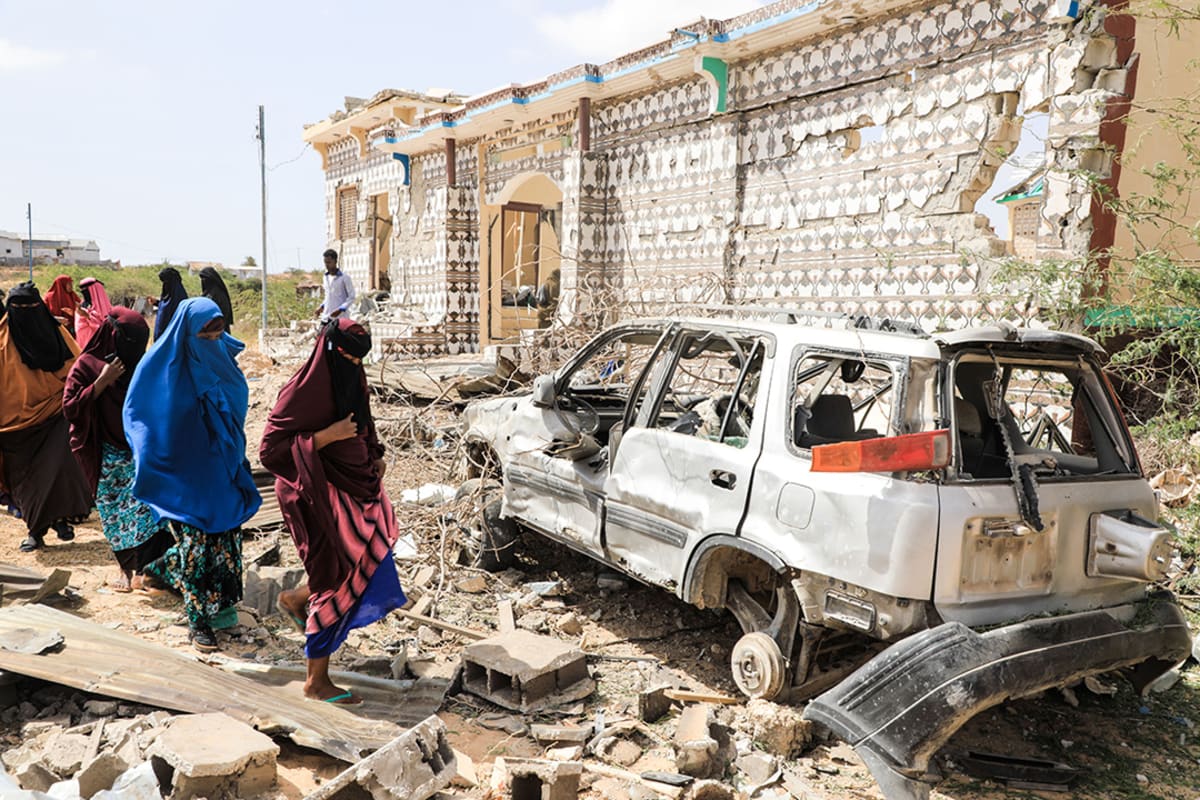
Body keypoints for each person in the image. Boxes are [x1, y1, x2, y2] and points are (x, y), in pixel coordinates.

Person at [260, 318, 404, 703]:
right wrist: (326, 437)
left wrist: (375, 457)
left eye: (361, 360)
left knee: (368, 561)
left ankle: (297, 599)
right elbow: (270, 451)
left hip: (357, 489)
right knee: (332, 577)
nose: (355, 367)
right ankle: (316, 682)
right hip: (314, 495)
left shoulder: (351, 377)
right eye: (347, 358)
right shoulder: (302, 391)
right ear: (328, 351)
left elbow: (363, 427)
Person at [124, 297, 261, 651]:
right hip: (184, 476)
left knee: (227, 538)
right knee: (197, 545)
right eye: (206, 335)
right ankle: (198, 622)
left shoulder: (223, 365)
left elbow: (237, 413)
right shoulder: (163, 371)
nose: (214, 342)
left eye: (219, 334)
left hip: (221, 470)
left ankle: (205, 598)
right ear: (187, 334)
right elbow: (144, 419)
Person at [63, 308, 175, 591]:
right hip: (102, 450)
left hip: (139, 449)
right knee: (114, 512)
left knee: (146, 511)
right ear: (113, 336)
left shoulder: (141, 364)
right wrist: (101, 381)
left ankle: (149, 570)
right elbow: (70, 409)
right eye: (129, 340)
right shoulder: (86, 365)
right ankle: (124, 569)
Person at [0, 283, 92, 552]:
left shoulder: (58, 334)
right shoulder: (3, 339)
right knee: (26, 481)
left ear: (40, 307)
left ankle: (43, 528)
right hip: (14, 428)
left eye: (30, 307)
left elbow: (78, 369)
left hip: (55, 417)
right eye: (19, 308)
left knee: (56, 473)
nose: (26, 314)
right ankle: (43, 527)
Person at [315, 249, 355, 322]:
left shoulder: (344, 278)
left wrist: (340, 309)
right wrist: (321, 307)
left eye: (329, 262)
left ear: (335, 262)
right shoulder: (325, 277)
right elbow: (328, 296)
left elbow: (351, 297)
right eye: (325, 263)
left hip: (340, 319)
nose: (327, 265)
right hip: (326, 317)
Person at [75, 277, 113, 350]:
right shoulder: (83, 304)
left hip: (97, 345)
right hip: (82, 344)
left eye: (85, 289)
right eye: (82, 289)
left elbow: (103, 326)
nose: (83, 292)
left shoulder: (103, 308)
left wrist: (88, 316)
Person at [155, 266, 188, 339]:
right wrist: (156, 303)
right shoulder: (166, 294)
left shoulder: (179, 296)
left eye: (166, 282)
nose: (164, 285)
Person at [198, 267, 234, 331]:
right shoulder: (208, 292)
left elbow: (224, 312)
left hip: (218, 329)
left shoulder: (218, 294)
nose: (203, 280)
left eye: (205, 278)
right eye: (202, 278)